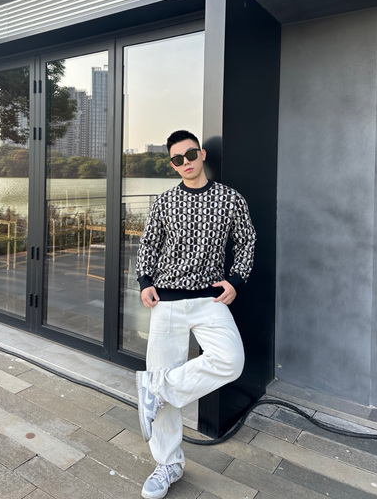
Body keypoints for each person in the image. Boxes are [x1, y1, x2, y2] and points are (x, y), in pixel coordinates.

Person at [135, 129, 256, 499]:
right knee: (162, 374)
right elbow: (149, 243)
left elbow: (247, 241)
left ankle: (156, 389)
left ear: (201, 154)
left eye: (190, 155)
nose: (185, 163)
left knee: (230, 360)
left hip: (209, 300)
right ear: (172, 165)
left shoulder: (229, 198)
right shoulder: (164, 201)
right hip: (167, 299)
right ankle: (167, 464)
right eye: (177, 159)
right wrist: (144, 281)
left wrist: (236, 279)